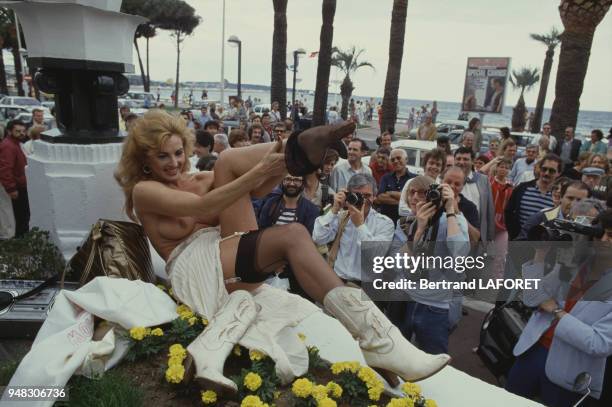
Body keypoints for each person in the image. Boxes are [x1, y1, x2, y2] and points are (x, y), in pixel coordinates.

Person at [506, 206, 612, 406]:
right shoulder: (575, 265)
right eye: (601, 235)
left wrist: (557, 311)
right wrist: (540, 254)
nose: (605, 241)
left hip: (569, 371)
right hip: (533, 351)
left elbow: (600, 343)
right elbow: (532, 298)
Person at [389, 174, 470, 354]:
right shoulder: (408, 222)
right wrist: (418, 231)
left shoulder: (452, 220)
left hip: (434, 306)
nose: (415, 197)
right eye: (411, 192)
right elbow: (397, 264)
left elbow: (460, 256)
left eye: (422, 193)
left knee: (433, 360)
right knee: (397, 353)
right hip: (406, 299)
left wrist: (450, 210)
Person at [313, 173, 395, 285]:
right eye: (357, 195)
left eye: (367, 196)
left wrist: (360, 225)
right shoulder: (342, 216)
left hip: (365, 287)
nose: (363, 200)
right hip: (337, 280)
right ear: (348, 195)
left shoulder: (385, 223)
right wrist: (334, 209)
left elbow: (375, 255)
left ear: (374, 196)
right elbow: (318, 238)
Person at [257, 174, 320, 298]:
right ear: (282, 181)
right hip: (268, 265)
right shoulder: (270, 204)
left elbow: (308, 242)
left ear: (303, 183)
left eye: (296, 179)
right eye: (288, 179)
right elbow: (261, 234)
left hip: (296, 269)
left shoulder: (311, 210)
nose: (292, 183)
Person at [505, 154, 562, 240]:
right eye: (544, 169)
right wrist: (514, 235)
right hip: (519, 242)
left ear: (558, 173)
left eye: (551, 171)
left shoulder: (558, 197)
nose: (546, 173)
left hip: (544, 245)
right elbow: (508, 212)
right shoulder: (522, 188)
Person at [517, 180, 590, 240]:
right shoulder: (540, 218)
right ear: (561, 197)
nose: (574, 204)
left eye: (580, 200)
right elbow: (518, 248)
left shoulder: (590, 227)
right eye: (570, 198)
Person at [454, 147, 496, 243]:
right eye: (458, 159)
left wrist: (489, 238)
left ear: (473, 161)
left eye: (465, 159)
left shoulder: (483, 180)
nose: (461, 162)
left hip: (477, 234)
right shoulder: (449, 180)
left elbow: (489, 209)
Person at [0, 120, 29, 237]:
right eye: (18, 131)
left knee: (20, 214)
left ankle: (18, 238)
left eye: (23, 131)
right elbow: (5, 169)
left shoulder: (15, 144)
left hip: (18, 185)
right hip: (15, 186)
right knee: (18, 215)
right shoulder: (8, 146)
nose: (21, 133)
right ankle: (16, 239)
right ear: (9, 131)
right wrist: (11, 188)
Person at [375, 149, 415, 224]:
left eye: (398, 158)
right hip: (385, 221)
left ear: (406, 160)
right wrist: (404, 201)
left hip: (406, 223)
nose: (396, 161)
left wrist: (390, 193)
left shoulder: (414, 179)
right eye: (393, 160)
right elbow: (380, 198)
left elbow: (414, 199)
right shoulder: (385, 177)